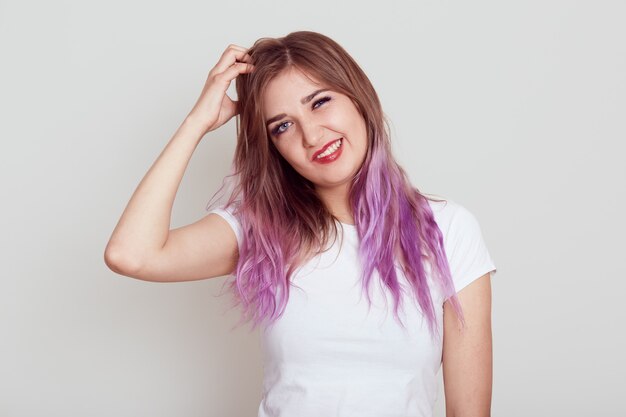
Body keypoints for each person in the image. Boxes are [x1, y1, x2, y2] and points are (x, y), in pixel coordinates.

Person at [104, 30, 497, 417]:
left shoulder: (449, 229)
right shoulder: (262, 229)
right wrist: (197, 122)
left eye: (320, 102)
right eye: (283, 126)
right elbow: (131, 255)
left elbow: (469, 412)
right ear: (273, 147)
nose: (311, 135)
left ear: (357, 97)